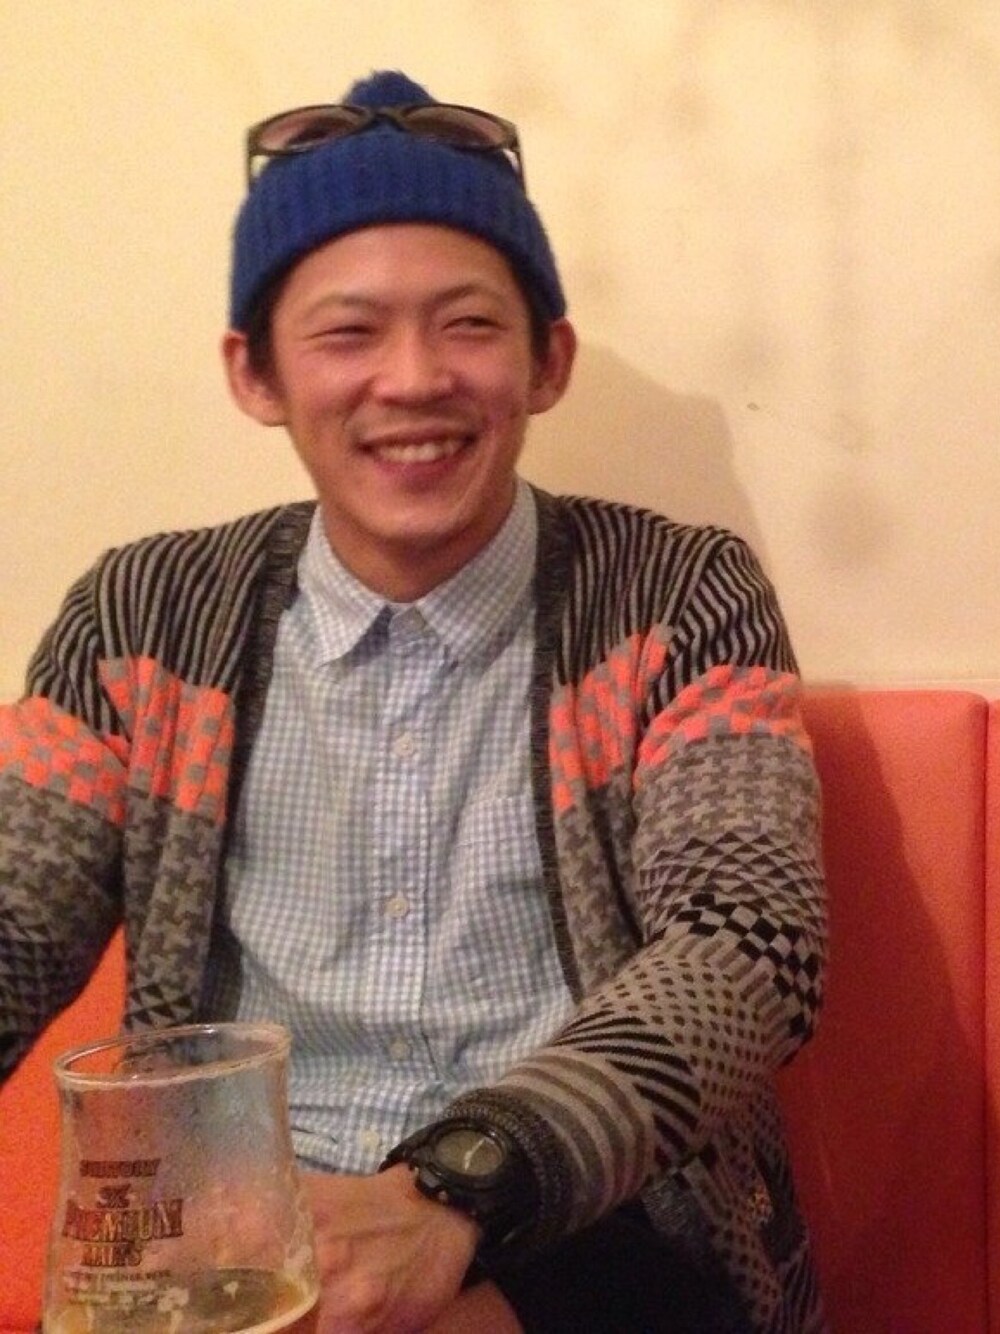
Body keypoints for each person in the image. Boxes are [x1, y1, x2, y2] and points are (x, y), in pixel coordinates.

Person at [0, 69, 827, 1333]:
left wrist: (456, 1187)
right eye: (347, 333)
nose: (412, 379)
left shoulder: (676, 594)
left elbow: (745, 940)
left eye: (468, 325)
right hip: (232, 1243)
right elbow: (13, 914)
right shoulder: (142, 618)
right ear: (256, 374)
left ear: (546, 360)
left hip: (588, 1219)